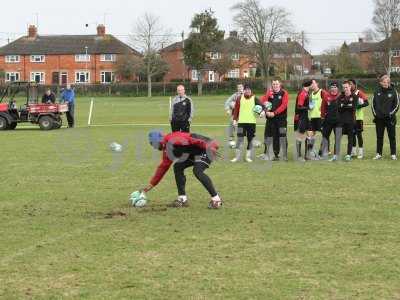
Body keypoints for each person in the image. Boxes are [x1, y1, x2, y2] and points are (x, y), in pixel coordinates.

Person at [139, 130, 222, 209]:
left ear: (158, 141)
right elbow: (163, 168)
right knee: (178, 166)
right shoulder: (167, 150)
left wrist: (210, 147)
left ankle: (216, 199)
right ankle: (182, 199)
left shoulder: (172, 140)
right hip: (196, 152)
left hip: (206, 148)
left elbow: (192, 140)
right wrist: (150, 185)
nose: (154, 147)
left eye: (154, 144)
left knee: (197, 171)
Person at [231, 84, 263, 163]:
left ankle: (248, 157)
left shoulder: (254, 98)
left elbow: (262, 106)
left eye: (249, 89)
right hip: (241, 122)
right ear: (244, 90)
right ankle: (237, 157)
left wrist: (262, 112)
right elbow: (236, 110)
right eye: (246, 89)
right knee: (239, 140)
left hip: (251, 123)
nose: (248, 91)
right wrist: (235, 120)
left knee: (250, 140)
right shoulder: (239, 98)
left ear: (251, 90)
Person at [259, 79, 289, 161]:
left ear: (280, 84)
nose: (275, 85)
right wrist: (266, 111)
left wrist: (274, 113)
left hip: (281, 120)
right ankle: (275, 154)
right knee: (271, 136)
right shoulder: (269, 92)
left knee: (282, 136)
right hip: (271, 119)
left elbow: (284, 105)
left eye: (276, 84)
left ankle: (284, 155)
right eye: (273, 84)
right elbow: (263, 101)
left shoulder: (284, 93)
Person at [372, 75, 399, 160]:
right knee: (379, 137)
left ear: (389, 82)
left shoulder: (394, 91)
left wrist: (391, 114)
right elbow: (373, 105)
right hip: (379, 119)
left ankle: (393, 154)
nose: (385, 83)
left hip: (390, 118)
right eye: (384, 82)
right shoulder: (376, 92)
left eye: (387, 82)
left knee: (392, 136)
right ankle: (379, 154)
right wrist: (376, 115)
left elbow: (397, 105)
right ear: (380, 82)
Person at [337, 81, 359, 162]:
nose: (345, 89)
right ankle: (336, 155)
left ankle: (348, 155)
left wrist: (344, 106)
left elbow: (353, 108)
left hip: (351, 121)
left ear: (350, 87)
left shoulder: (355, 96)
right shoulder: (340, 97)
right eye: (344, 87)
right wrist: (347, 105)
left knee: (350, 138)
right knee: (338, 138)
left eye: (346, 87)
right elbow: (339, 109)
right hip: (341, 121)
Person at [307, 79, 329, 159]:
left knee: (324, 135)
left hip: (321, 118)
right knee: (309, 135)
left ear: (317, 83)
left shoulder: (322, 92)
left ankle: (323, 152)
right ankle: (311, 152)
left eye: (313, 83)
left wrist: (325, 109)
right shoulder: (311, 94)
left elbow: (328, 100)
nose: (311, 85)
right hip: (312, 117)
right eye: (310, 84)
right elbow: (310, 106)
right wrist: (309, 107)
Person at [349, 79, 369, 159]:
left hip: (358, 118)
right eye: (348, 84)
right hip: (350, 118)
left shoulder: (359, 93)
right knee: (352, 134)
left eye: (351, 84)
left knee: (358, 134)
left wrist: (358, 106)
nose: (350, 86)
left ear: (354, 85)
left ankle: (361, 152)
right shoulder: (348, 93)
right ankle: (353, 151)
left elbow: (366, 102)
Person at [320, 82, 341, 161]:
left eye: (335, 87)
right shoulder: (326, 96)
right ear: (330, 88)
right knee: (325, 136)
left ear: (337, 88)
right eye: (332, 87)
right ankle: (322, 153)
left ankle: (336, 155)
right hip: (328, 120)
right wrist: (322, 118)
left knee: (337, 138)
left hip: (338, 121)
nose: (333, 88)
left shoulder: (340, 96)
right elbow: (323, 108)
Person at [294, 80, 312, 161]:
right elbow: (299, 107)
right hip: (302, 118)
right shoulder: (303, 93)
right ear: (309, 86)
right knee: (300, 137)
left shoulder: (306, 93)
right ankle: (299, 156)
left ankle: (307, 155)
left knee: (309, 135)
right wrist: (308, 107)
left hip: (306, 117)